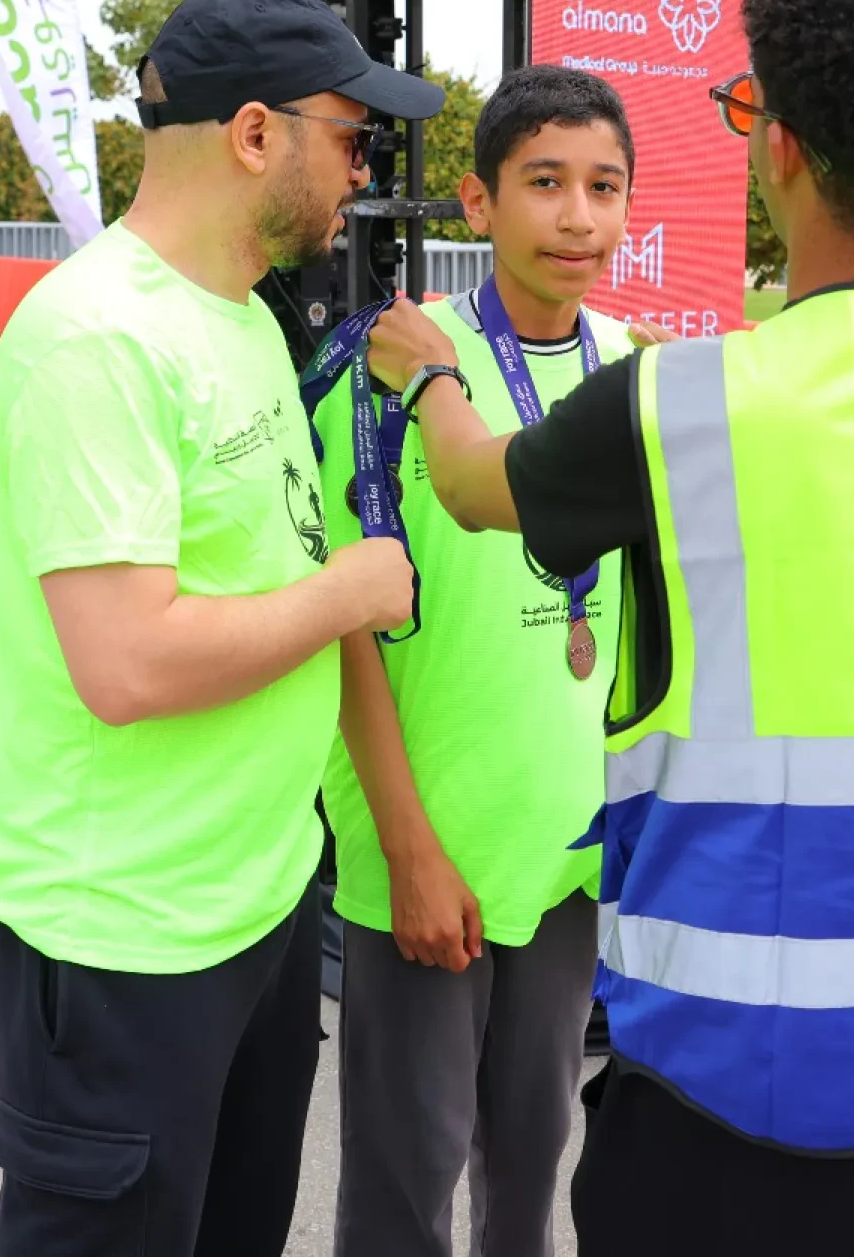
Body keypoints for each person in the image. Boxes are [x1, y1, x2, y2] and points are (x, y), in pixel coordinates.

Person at [363, 0, 854, 1257]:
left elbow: (473, 486)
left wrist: (425, 372)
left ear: (780, 148)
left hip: (741, 1079)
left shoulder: (678, 404)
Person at [0, 0, 440, 1255]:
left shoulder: (239, 319)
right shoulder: (97, 337)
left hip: (255, 902)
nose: (361, 175)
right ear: (256, 134)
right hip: (120, 932)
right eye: (352, 137)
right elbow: (124, 662)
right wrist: (348, 588)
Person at [316, 67, 648, 1257]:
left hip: (563, 853)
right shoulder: (393, 365)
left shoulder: (631, 370)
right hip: (428, 851)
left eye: (603, 187)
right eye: (544, 182)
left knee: (529, 1172)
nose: (577, 217)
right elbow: (344, 623)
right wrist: (406, 847)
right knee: (404, 1190)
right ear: (477, 201)